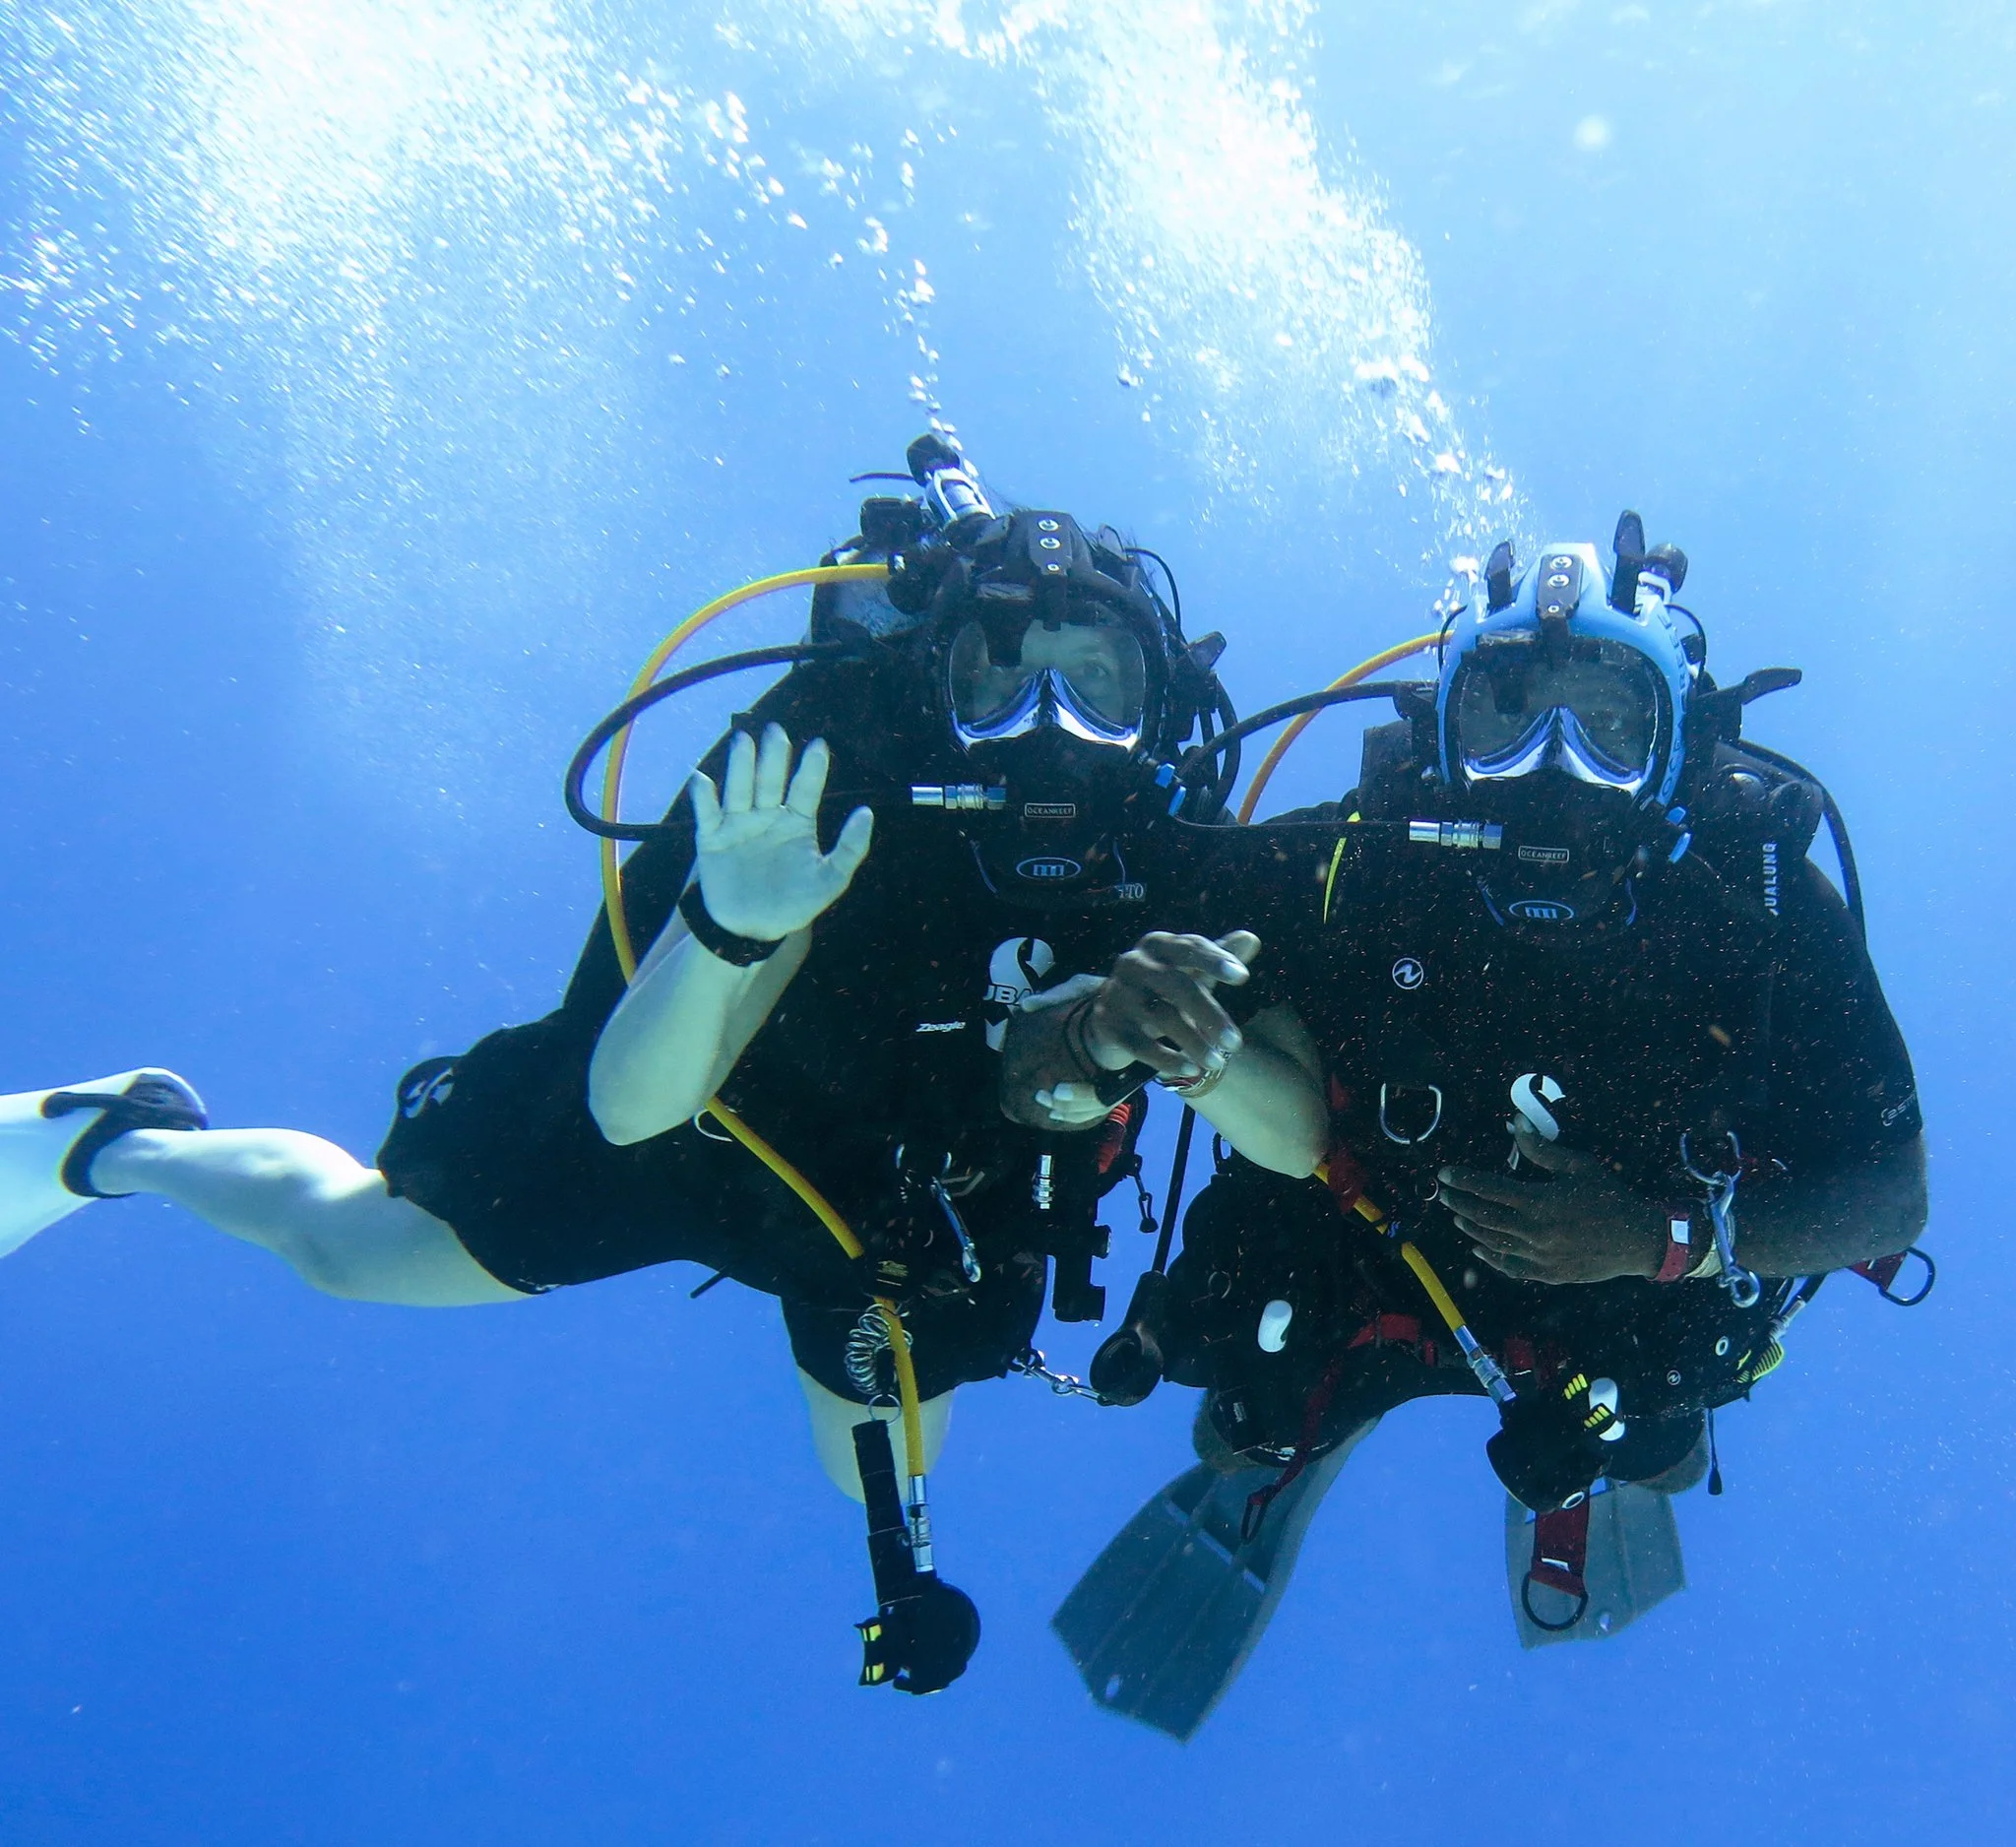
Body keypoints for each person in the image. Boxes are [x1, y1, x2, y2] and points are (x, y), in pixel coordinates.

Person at [0, 434, 1270, 1691]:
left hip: (891, 1215)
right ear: (937, 674)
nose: (1047, 726)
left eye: (1091, 684)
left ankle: (129, 1139)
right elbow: (629, 1105)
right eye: (1003, 676)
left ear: (1150, 698)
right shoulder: (835, 770)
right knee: (345, 1250)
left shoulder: (1160, 839)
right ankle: (126, 1137)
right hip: (717, 1125)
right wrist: (733, 926)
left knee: (865, 1465)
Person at [1021, 515, 1929, 1734]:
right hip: (1363, 1240)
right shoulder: (1362, 854)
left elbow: (1890, 1192)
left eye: (1608, 727)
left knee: (1655, 1443)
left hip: (1630, 1288)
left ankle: (1583, 1467)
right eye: (1508, 716)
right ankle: (1287, 1456)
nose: (1554, 765)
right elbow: (1134, 930)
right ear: (1445, 726)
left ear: (1674, 745)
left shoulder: (1750, 896)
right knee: (1240, 1421)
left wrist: (1658, 1238)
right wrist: (1103, 1020)